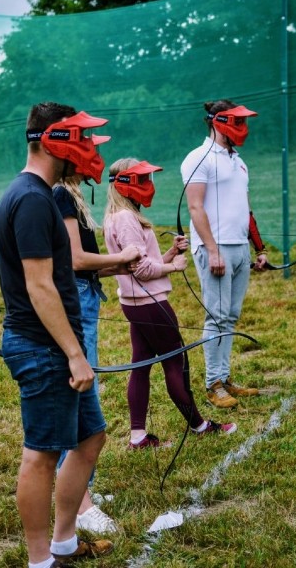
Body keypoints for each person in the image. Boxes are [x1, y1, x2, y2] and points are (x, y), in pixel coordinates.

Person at [0, 102, 113, 568]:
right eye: (79, 139)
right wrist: (73, 354)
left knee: (90, 439)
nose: (87, 149)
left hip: (58, 346)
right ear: (52, 141)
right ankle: (41, 560)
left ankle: (64, 543)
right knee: (41, 456)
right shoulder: (30, 199)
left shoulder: (41, 194)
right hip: (44, 349)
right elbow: (39, 285)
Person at [103, 157, 237, 449]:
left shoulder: (119, 216)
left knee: (141, 365)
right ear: (125, 186)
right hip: (150, 304)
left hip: (136, 302)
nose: (149, 186)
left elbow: (141, 263)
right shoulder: (126, 219)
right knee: (175, 363)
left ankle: (138, 437)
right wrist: (174, 267)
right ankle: (200, 426)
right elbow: (142, 270)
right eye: (142, 181)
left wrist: (168, 252)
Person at [53, 175, 142, 534]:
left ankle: (81, 489)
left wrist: (118, 267)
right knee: (78, 399)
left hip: (85, 297)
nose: (94, 154)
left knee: (89, 398)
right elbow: (74, 260)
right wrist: (120, 255)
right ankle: (80, 508)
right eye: (87, 144)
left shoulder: (73, 196)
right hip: (75, 302)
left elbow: (84, 265)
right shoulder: (61, 194)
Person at [180, 99, 266, 409]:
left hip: (240, 247)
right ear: (219, 122)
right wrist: (212, 249)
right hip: (214, 249)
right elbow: (195, 206)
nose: (244, 129)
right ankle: (212, 384)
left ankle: (225, 378)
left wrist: (259, 248)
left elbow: (245, 208)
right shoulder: (198, 158)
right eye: (239, 122)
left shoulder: (238, 161)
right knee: (215, 317)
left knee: (229, 316)